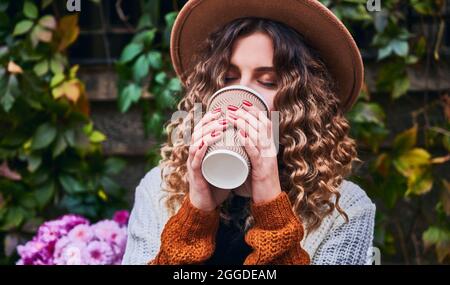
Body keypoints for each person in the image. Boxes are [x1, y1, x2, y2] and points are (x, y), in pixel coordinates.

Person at [122, 0, 376, 265]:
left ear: (305, 101)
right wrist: (195, 215)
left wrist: (271, 205)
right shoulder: (159, 190)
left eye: (268, 81)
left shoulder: (344, 207)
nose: (240, 97)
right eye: (228, 78)